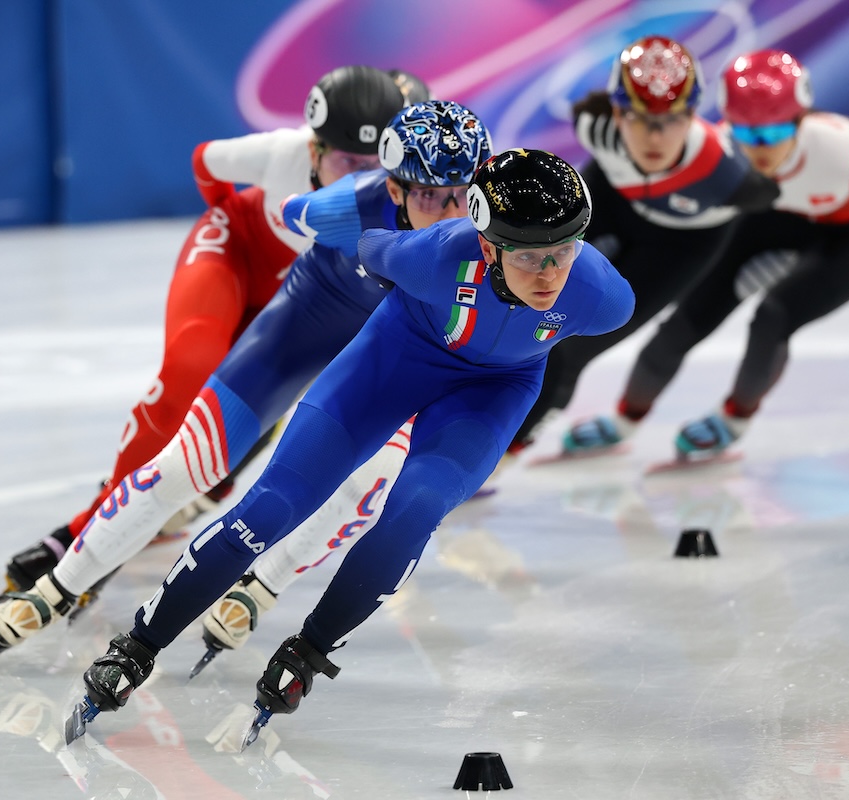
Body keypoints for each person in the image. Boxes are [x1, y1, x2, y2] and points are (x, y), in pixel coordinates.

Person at [74, 148, 635, 734]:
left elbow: (567, 307)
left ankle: (310, 650)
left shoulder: (602, 298)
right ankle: (139, 646)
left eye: (563, 252)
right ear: (488, 244)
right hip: (397, 357)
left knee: (415, 509)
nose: (549, 274)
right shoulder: (436, 256)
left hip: (493, 392)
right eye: (529, 257)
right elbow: (367, 245)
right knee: (271, 507)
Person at [0, 100, 494, 658]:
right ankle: (59, 587)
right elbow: (290, 215)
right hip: (304, 328)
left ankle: (265, 582)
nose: (449, 213)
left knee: (367, 482)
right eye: (428, 195)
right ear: (393, 190)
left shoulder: (494, 235)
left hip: (388, 357)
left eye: (462, 195)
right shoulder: (346, 206)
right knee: (183, 467)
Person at [0, 66, 408, 599]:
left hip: (309, 302)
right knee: (191, 367)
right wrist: (226, 217)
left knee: (264, 416)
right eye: (347, 161)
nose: (359, 178)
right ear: (312, 149)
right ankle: (86, 527)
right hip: (238, 257)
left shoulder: (404, 203)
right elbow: (205, 161)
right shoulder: (280, 151)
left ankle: (186, 498)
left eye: (375, 167)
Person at [561, 49, 849, 458]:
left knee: (774, 316)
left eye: (773, 135)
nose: (759, 150)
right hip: (768, 223)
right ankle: (625, 419)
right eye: (745, 133)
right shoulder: (720, 160)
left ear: (801, 122)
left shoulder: (848, 154)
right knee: (685, 321)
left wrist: (806, 260)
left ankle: (734, 418)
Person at [505, 35, 780, 458]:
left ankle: (510, 448)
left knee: (570, 345)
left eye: (670, 119)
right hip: (613, 203)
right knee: (516, 300)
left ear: (692, 116)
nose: (654, 137)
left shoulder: (729, 175)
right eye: (636, 117)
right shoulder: (594, 125)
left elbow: (781, 198)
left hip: (682, 244)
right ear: (615, 112)